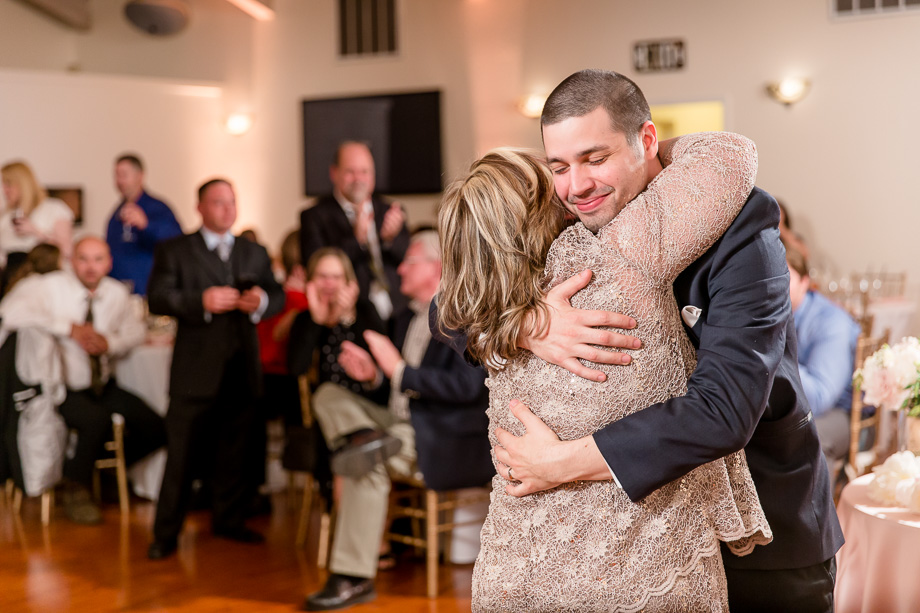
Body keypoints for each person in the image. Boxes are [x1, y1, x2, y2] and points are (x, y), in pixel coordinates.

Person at [455, 70, 843, 612]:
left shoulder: (740, 225)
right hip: (637, 543)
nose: (576, 186)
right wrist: (527, 322)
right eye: (559, 167)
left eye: (596, 158)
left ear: (646, 141)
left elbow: (724, 411)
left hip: (762, 532)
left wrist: (560, 462)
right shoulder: (571, 223)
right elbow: (452, 306)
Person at [438, 134, 771, 611]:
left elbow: (451, 302)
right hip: (633, 576)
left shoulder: (487, 305)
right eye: (555, 172)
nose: (571, 184)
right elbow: (729, 153)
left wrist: (518, 321)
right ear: (537, 208)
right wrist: (640, 151)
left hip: (509, 578)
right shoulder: (612, 256)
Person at [302, 231, 491, 612]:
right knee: (328, 395)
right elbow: (391, 381)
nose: (399, 268)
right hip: (394, 424)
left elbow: (470, 387)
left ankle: (352, 577)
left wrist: (399, 372)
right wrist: (373, 374)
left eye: (409, 261)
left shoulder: (465, 314)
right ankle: (363, 436)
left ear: (435, 267)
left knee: (364, 462)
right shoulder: (405, 316)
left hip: (439, 435)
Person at [146, 178, 284, 560]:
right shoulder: (176, 250)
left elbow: (278, 294)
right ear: (200, 207)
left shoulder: (253, 251)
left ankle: (228, 520)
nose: (227, 209)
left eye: (232, 202)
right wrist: (200, 300)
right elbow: (157, 297)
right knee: (181, 457)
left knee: (234, 454)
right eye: (218, 202)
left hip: (241, 369)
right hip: (195, 373)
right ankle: (165, 533)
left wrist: (261, 301)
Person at [0, 237, 165, 524]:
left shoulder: (116, 294)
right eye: (84, 259)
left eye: (98, 259)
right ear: (71, 261)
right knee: (95, 421)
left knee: (156, 427)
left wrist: (109, 343)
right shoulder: (49, 287)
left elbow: (135, 332)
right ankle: (77, 487)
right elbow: (9, 311)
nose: (91, 267)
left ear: (109, 262)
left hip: (102, 383)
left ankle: (96, 473)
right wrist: (68, 329)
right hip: (64, 387)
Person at [299, 141, 410, 321]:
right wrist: (356, 239)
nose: (359, 178)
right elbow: (316, 269)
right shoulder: (314, 216)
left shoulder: (389, 211)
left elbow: (404, 260)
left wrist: (389, 240)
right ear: (334, 173)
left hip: (396, 308)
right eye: (351, 172)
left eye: (365, 172)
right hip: (351, 312)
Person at [786, 239, 860, 474]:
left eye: (783, 277)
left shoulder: (830, 322)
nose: (772, 286)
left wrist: (773, 347)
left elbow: (819, 398)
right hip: (796, 409)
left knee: (805, 438)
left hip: (843, 415)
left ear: (805, 281)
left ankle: (816, 511)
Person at [287, 247, 386, 397]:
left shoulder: (365, 311)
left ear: (348, 281)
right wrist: (317, 321)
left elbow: (381, 364)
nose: (329, 283)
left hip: (365, 404)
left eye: (337, 277)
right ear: (311, 281)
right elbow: (297, 369)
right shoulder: (304, 319)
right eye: (322, 276)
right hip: (321, 408)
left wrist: (347, 316)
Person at [106, 154, 182, 295]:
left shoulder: (158, 208)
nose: (119, 181)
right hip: (120, 289)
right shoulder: (116, 212)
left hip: (148, 289)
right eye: (116, 175)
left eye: (124, 175)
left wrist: (146, 225)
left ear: (140, 176)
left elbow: (177, 243)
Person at [0, 161, 74, 293]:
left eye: (8, 184)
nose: (5, 190)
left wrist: (35, 232)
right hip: (10, 280)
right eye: (3, 184)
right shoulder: (6, 216)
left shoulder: (53, 208)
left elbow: (66, 251)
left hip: (43, 280)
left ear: (23, 184)